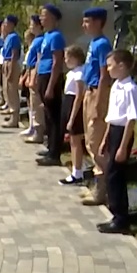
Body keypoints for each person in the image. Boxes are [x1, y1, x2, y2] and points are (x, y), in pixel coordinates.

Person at [96, 49, 137, 234]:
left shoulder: (131, 89)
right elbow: (112, 115)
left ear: (121, 66)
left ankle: (121, 218)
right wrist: (105, 138)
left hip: (123, 133)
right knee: (111, 174)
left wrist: (123, 147)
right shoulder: (116, 85)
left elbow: (131, 119)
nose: (107, 69)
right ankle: (115, 214)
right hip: (113, 131)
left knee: (116, 175)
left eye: (110, 65)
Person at [79, 6, 115, 206]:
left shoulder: (102, 44)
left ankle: (102, 190)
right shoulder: (93, 43)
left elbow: (104, 76)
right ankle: (98, 184)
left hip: (97, 93)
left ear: (98, 22)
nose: (84, 25)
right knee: (89, 141)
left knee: (96, 141)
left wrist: (99, 104)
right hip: (89, 91)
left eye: (87, 21)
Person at [35, 5, 67, 167]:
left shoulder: (56, 36)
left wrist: (50, 86)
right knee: (47, 115)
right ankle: (50, 148)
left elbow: (57, 62)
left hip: (50, 76)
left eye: (44, 15)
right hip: (43, 75)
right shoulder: (46, 35)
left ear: (53, 18)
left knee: (54, 117)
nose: (41, 18)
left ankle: (55, 154)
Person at [59, 45, 88, 185]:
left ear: (75, 58)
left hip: (74, 105)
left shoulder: (79, 73)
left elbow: (79, 96)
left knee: (75, 140)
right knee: (72, 140)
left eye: (67, 58)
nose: (65, 61)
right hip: (67, 101)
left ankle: (77, 173)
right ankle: (77, 169)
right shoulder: (72, 72)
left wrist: (72, 118)